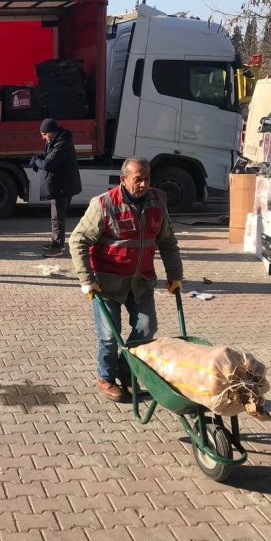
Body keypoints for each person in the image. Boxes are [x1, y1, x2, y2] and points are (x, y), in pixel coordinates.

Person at [69, 157, 184, 402]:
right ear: (123, 180)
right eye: (137, 179)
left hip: (141, 281)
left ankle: (126, 369)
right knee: (109, 336)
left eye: (147, 179)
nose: (143, 185)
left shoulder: (158, 201)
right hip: (107, 283)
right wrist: (86, 280)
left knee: (147, 328)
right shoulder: (104, 204)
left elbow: (167, 241)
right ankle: (106, 377)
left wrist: (175, 275)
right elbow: (78, 240)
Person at [29, 118, 82, 257]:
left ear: (51, 132)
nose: (43, 137)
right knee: (57, 217)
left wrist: (37, 161)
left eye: (44, 134)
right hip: (60, 185)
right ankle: (56, 242)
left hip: (62, 186)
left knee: (57, 217)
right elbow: (49, 158)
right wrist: (40, 158)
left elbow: (48, 164)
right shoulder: (56, 141)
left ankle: (57, 247)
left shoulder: (62, 143)